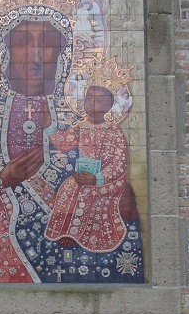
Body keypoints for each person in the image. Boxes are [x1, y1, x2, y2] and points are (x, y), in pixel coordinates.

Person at [0, 12, 144, 285]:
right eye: (23, 41)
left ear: (64, 54)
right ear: (5, 50)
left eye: (49, 43)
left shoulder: (83, 119)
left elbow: (116, 181)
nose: (36, 54)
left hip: (71, 260)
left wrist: (117, 193)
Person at [45, 85, 132, 252]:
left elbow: (119, 164)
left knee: (88, 193)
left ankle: (81, 234)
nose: (92, 103)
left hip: (107, 181)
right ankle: (66, 231)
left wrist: (97, 178)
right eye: (88, 98)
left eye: (98, 100)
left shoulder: (114, 132)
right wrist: (49, 126)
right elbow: (64, 143)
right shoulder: (80, 127)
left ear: (108, 107)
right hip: (84, 175)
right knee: (67, 189)